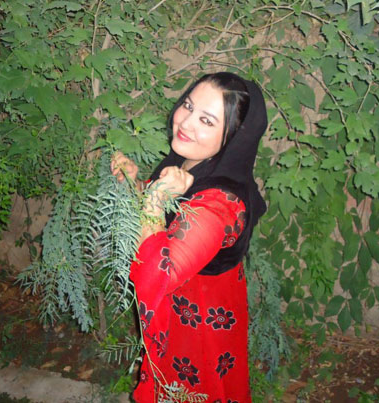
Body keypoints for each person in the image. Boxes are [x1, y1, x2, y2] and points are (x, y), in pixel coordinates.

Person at [111, 72, 268, 403]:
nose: (185, 122)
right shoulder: (191, 159)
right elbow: (161, 226)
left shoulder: (220, 204)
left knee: (194, 390)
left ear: (233, 136)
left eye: (207, 120)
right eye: (188, 105)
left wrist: (155, 197)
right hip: (185, 306)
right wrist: (134, 185)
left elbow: (156, 275)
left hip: (199, 321)